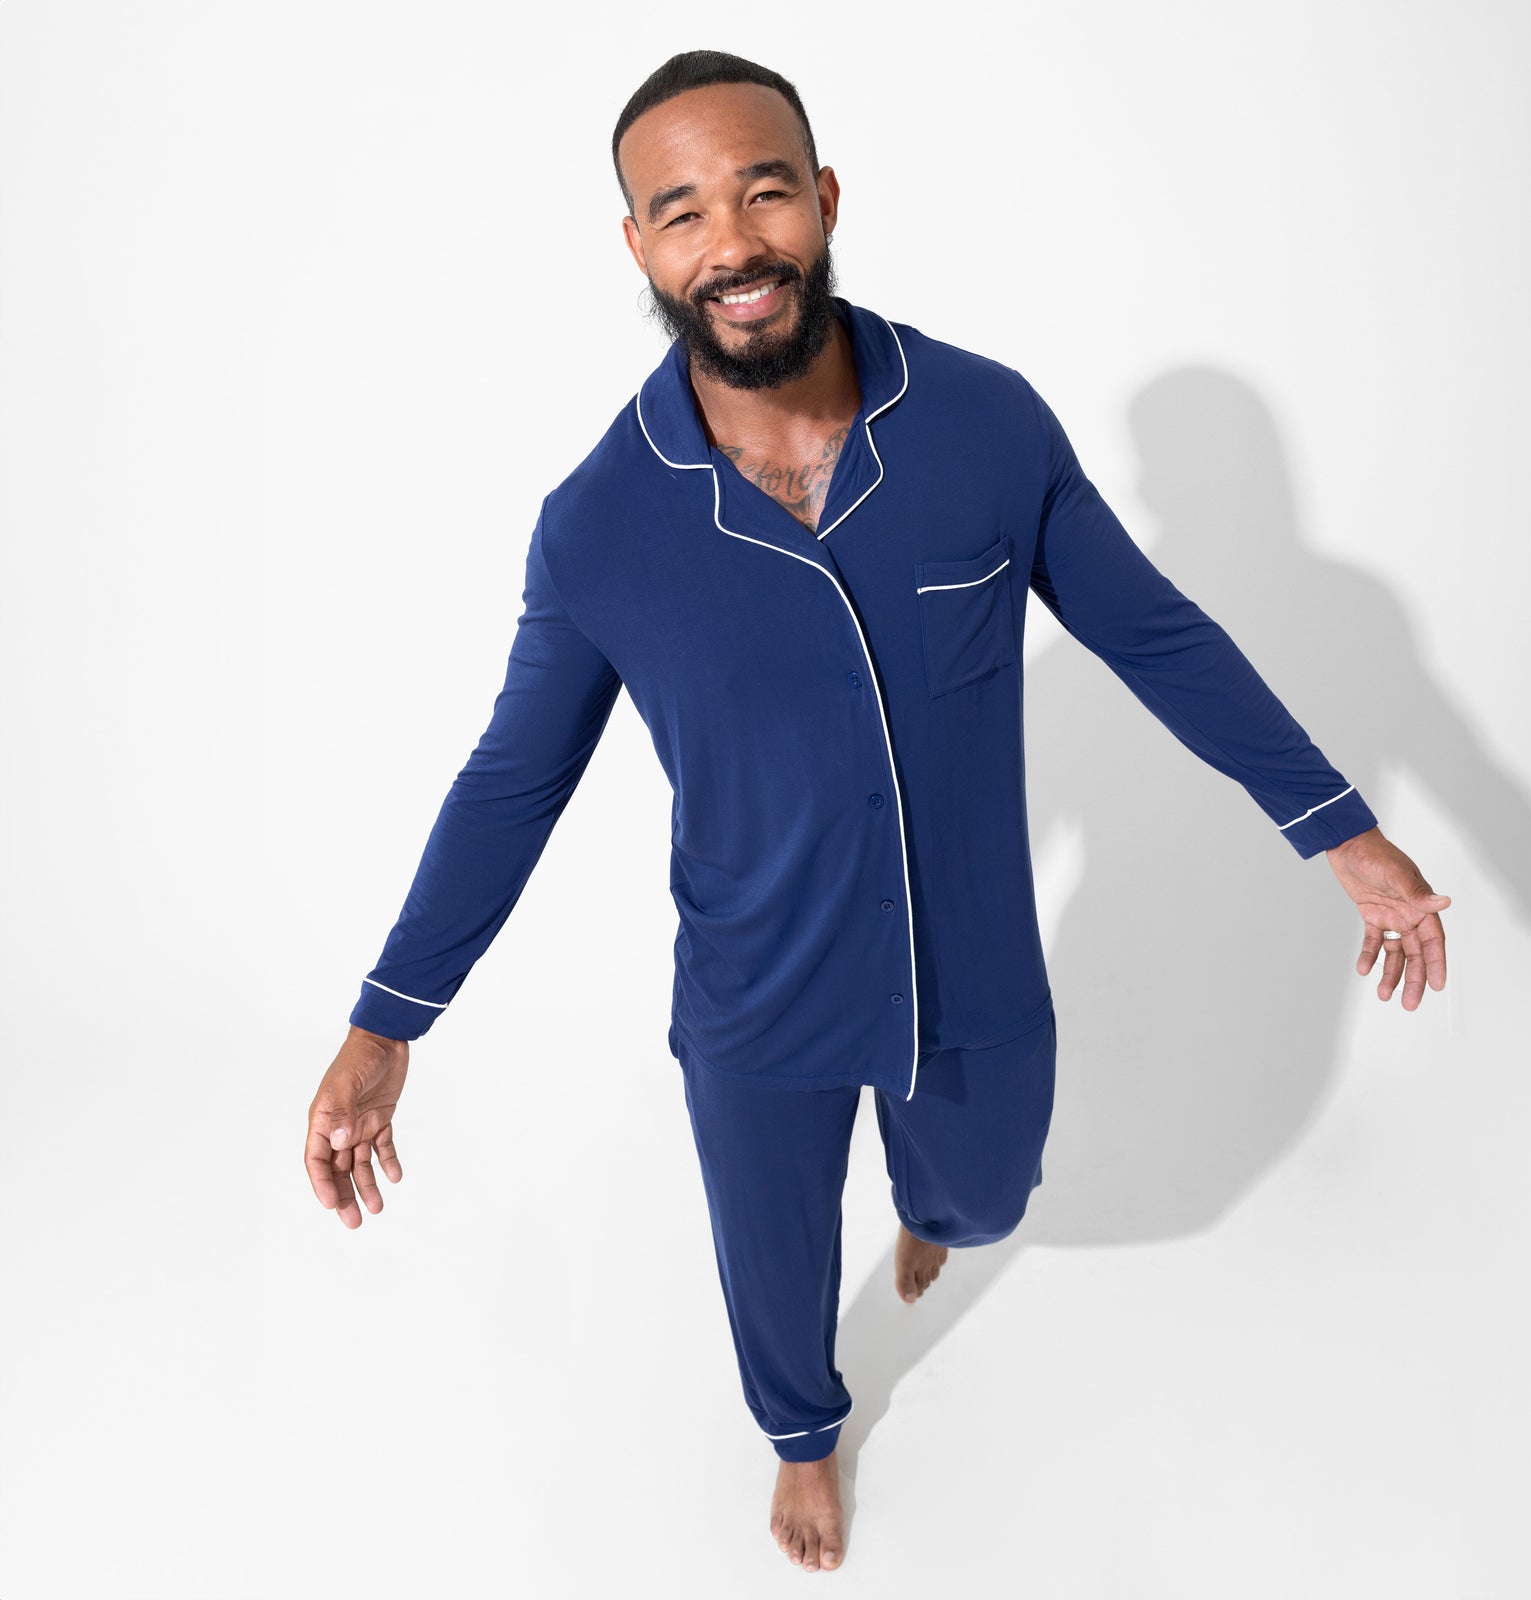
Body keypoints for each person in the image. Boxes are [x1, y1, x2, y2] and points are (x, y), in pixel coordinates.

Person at [303, 50, 1451, 1575]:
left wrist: (1342, 833)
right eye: (683, 213)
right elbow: (514, 782)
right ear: (640, 247)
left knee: (986, 1195)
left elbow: (1156, 637)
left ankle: (931, 1202)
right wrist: (387, 1023)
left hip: (971, 966)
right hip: (756, 987)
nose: (734, 244)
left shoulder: (984, 423)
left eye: (765, 191)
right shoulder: (598, 526)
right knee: (773, 1264)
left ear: (826, 198)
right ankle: (802, 1439)